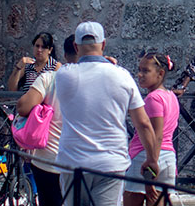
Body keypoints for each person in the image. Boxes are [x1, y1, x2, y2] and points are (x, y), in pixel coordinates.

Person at [51, 22, 160, 206]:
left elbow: (73, 69)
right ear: (103, 44)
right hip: (111, 163)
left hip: (73, 161)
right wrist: (151, 159)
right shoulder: (122, 76)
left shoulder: (64, 75)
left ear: (76, 47)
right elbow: (143, 123)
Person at [16, 35, 78, 206]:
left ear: (65, 55)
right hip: (81, 161)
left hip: (48, 159)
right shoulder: (100, 81)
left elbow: (22, 107)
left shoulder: (50, 77)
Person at [123, 54, 179, 206]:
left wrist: (151, 163)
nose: (139, 75)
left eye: (146, 71)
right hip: (168, 156)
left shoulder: (153, 99)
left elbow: (156, 134)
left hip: (147, 156)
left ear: (160, 74)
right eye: (139, 70)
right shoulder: (171, 96)